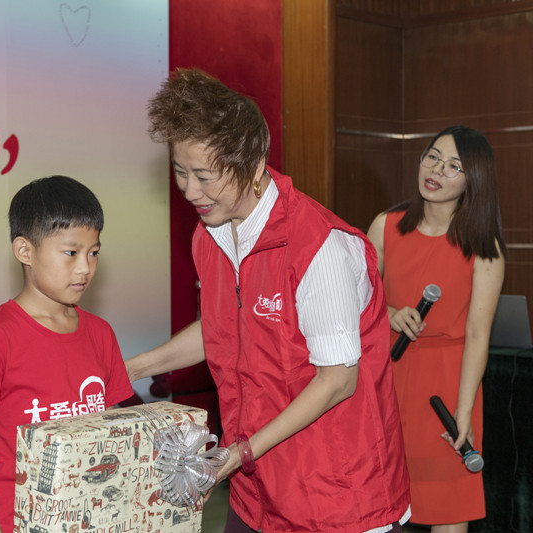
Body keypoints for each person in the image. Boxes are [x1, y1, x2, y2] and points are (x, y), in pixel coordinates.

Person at [126, 67, 411, 533]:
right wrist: (133, 368)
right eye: (179, 172)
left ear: (254, 165)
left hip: (333, 494)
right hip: (255, 489)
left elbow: (337, 381)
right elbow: (223, 328)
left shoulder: (319, 247)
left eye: (205, 176)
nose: (190, 191)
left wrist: (241, 452)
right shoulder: (210, 234)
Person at [0, 175, 134, 533]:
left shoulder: (101, 333)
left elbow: (113, 437)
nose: (85, 268)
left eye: (93, 253)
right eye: (71, 253)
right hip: (19, 522)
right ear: (25, 251)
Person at [367, 126, 506, 532]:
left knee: (448, 508)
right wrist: (389, 313)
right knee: (377, 504)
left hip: (446, 387)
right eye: (432, 157)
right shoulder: (385, 226)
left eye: (453, 166)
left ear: (472, 180)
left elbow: (478, 336)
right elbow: (354, 306)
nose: (436, 170)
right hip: (387, 380)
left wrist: (464, 410)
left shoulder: (483, 247)